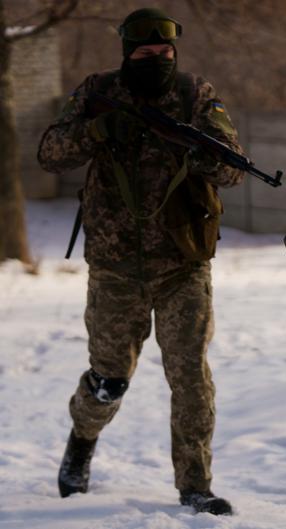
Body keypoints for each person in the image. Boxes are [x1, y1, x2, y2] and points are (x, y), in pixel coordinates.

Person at [37, 8, 244, 516]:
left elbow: (233, 164)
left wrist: (201, 154)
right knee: (108, 379)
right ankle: (81, 445)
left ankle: (195, 485)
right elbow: (50, 153)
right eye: (146, 54)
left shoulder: (195, 95)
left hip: (183, 262)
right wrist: (97, 131)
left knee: (190, 376)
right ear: (127, 53)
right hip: (114, 266)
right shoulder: (95, 92)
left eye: (165, 53)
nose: (157, 61)